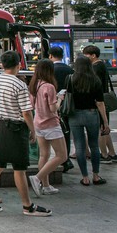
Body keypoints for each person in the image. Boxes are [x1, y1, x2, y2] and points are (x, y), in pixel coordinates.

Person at [0, 51, 51, 216]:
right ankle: (27, 206)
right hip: (15, 129)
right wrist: (33, 131)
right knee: (19, 168)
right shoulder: (19, 84)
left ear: (2, 65)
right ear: (18, 64)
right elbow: (26, 112)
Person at [67, 55, 110, 186]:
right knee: (94, 145)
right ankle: (96, 176)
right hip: (92, 114)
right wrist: (105, 122)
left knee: (79, 146)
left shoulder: (70, 79)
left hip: (74, 115)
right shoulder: (95, 80)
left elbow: (67, 97)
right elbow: (100, 103)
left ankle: (85, 177)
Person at [27, 59, 67, 196]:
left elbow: (31, 106)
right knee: (62, 155)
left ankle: (46, 186)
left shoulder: (34, 85)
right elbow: (53, 108)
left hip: (38, 123)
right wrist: (60, 98)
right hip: (51, 124)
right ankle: (37, 178)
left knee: (44, 155)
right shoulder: (49, 87)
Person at [82, 45, 117, 164]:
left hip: (98, 101)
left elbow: (93, 86)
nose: (84, 57)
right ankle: (112, 153)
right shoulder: (101, 65)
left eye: (86, 55)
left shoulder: (96, 67)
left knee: (101, 129)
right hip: (102, 100)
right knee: (104, 127)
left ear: (93, 55)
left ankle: (104, 155)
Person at [50, 46, 75, 172]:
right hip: (68, 104)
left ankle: (60, 158)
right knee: (66, 131)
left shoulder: (50, 70)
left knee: (55, 133)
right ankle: (65, 158)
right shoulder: (69, 69)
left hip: (53, 104)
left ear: (50, 56)